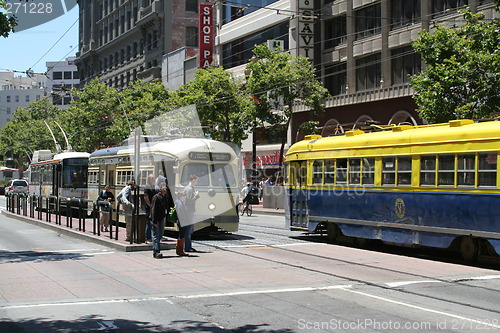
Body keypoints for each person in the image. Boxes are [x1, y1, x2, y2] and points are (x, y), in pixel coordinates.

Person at [150, 182, 173, 258]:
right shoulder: (156, 197)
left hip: (161, 218)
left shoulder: (164, 197)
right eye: (164, 188)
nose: (165, 190)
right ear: (161, 189)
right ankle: (156, 251)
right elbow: (153, 210)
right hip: (156, 219)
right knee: (156, 235)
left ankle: (157, 249)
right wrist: (154, 221)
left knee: (160, 234)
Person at [183, 174, 199, 252]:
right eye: (196, 181)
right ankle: (187, 247)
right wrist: (196, 195)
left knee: (190, 229)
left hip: (190, 211)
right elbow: (190, 200)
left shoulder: (190, 188)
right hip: (189, 211)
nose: (196, 182)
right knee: (188, 230)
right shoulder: (189, 189)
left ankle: (188, 246)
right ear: (193, 180)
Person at [174, 191, 190, 256]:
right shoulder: (180, 204)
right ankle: (180, 250)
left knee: (181, 235)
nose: (185, 197)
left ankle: (179, 250)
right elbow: (181, 214)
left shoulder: (178, 203)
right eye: (184, 196)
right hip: (182, 221)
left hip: (181, 221)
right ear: (181, 197)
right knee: (182, 236)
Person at [143, 174, 158, 244]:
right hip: (149, 208)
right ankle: (147, 238)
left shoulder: (154, 187)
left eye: (154, 178)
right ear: (149, 179)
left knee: (153, 222)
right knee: (149, 223)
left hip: (154, 208)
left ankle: (153, 237)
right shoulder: (147, 187)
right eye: (153, 178)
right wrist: (150, 206)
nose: (154, 180)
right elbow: (146, 197)